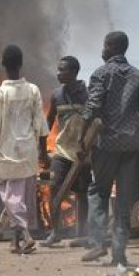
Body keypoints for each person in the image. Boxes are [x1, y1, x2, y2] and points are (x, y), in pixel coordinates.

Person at [79, 31, 139, 266]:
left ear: (111, 47)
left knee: (98, 192)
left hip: (106, 146)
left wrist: (82, 139)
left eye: (104, 46)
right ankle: (119, 255)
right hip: (132, 148)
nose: (102, 50)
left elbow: (91, 109)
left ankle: (99, 242)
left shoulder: (101, 74)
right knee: (124, 201)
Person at [0, 45, 49, 254]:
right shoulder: (33, 90)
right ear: (21, 64)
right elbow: (41, 124)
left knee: (10, 197)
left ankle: (25, 234)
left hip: (7, 152)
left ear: (3, 65)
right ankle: (16, 242)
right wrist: (43, 152)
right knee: (21, 195)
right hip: (27, 152)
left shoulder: (0, 94)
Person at [41, 56, 92, 247]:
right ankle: (56, 232)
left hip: (83, 153)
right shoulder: (56, 95)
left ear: (74, 72)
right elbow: (48, 122)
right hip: (62, 151)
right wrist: (42, 148)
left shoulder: (86, 95)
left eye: (63, 70)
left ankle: (82, 232)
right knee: (54, 187)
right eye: (58, 69)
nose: (58, 73)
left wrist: (87, 147)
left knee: (82, 193)